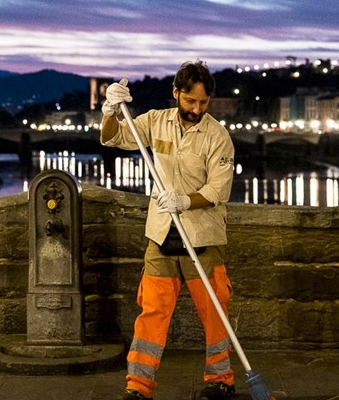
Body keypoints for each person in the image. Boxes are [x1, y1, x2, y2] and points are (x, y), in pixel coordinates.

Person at [100, 61, 236, 400]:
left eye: (203, 103)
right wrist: (110, 111)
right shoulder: (155, 121)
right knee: (152, 313)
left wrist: (185, 202)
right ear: (176, 93)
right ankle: (139, 386)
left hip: (202, 236)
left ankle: (221, 380)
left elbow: (218, 190)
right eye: (190, 101)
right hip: (161, 235)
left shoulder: (218, 137)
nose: (196, 109)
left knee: (214, 311)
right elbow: (113, 138)